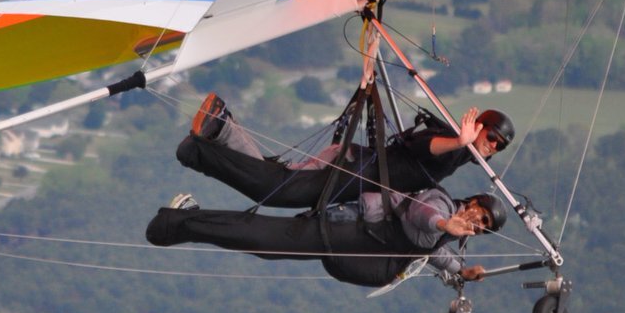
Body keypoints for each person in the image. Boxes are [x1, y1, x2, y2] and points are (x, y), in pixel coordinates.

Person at [176, 92, 514, 209]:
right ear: (479, 126)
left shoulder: (460, 154)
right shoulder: (453, 144)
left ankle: (221, 125)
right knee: (271, 189)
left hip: (352, 167)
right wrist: (459, 141)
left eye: (500, 145)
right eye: (492, 136)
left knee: (275, 180)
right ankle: (217, 128)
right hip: (350, 170)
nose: (493, 145)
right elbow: (426, 147)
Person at [147, 188, 507, 288]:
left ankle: (188, 218)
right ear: (473, 201)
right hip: (344, 224)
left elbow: (430, 252)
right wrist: (446, 225)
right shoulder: (442, 203)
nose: (478, 223)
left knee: (264, 245)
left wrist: (462, 271)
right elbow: (421, 216)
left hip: (345, 238)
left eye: (484, 227)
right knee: (263, 239)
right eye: (481, 214)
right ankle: (187, 216)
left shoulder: (448, 234)